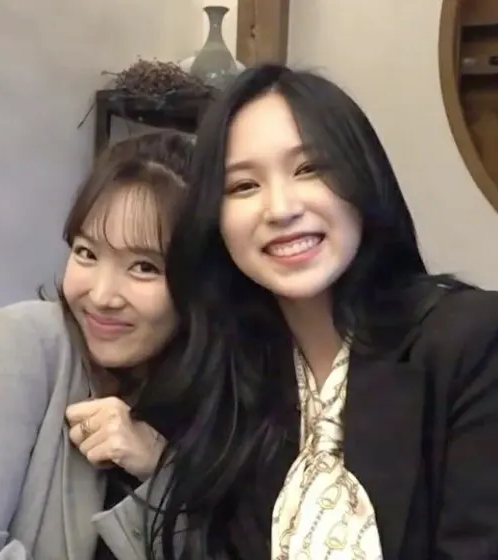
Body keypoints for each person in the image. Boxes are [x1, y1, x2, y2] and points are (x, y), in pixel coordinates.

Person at [147, 64, 498, 560]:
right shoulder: (232, 382)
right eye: (243, 186)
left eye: (309, 168)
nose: (280, 209)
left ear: (362, 177)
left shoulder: (472, 342)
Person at [0, 130, 194, 560]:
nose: (102, 295)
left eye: (144, 267)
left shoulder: (206, 397)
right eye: (86, 253)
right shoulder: (17, 344)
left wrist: (160, 466)